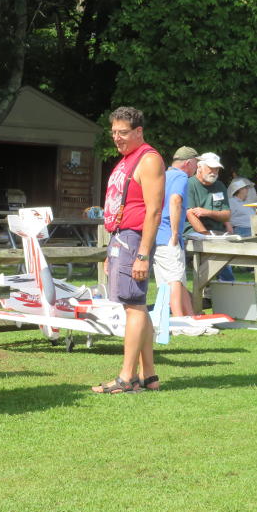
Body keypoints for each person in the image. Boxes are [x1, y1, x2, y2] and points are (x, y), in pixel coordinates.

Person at [91, 106, 165, 394]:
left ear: (138, 132)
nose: (117, 138)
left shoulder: (148, 159)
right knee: (136, 306)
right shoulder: (127, 160)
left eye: (123, 133)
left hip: (134, 239)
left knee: (133, 306)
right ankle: (148, 376)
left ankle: (126, 378)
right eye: (113, 133)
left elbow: (154, 210)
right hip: (122, 239)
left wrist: (143, 255)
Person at [154, 146, 197, 318]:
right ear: (188, 163)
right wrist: (174, 233)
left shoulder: (163, 175)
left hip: (156, 236)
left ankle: (190, 316)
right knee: (175, 280)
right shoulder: (181, 176)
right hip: (168, 237)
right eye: (196, 163)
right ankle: (179, 321)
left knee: (176, 281)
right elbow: (175, 199)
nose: (197, 167)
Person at [184, 151, 234, 282]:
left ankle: (223, 296)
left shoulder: (220, 186)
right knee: (206, 272)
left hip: (217, 235)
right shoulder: (190, 184)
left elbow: (227, 215)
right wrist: (206, 236)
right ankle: (206, 296)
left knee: (226, 273)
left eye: (216, 169)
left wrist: (208, 212)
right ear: (199, 167)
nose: (214, 172)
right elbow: (190, 214)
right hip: (194, 235)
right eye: (210, 168)